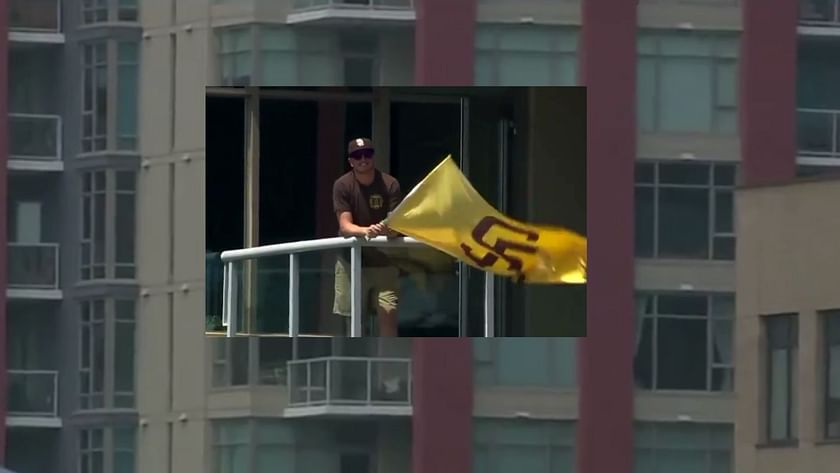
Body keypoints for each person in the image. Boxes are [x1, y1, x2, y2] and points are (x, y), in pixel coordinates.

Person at [332, 137, 402, 336]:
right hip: (351, 263)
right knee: (354, 324)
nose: (363, 159)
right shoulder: (342, 185)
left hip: (385, 263)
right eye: (357, 155)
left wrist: (388, 229)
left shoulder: (390, 184)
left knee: (388, 321)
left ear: (373, 157)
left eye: (367, 154)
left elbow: (395, 224)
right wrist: (365, 231)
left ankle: (388, 365)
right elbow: (345, 226)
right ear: (351, 161)